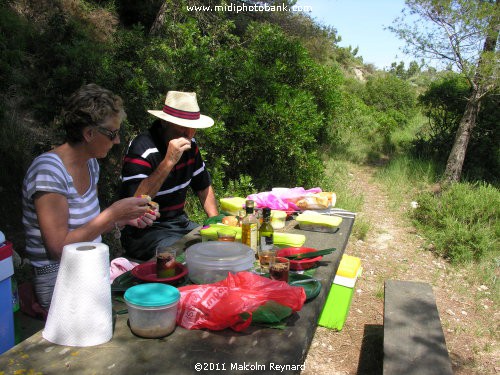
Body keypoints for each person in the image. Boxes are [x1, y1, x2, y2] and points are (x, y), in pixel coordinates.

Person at [22, 83, 159, 310]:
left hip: (91, 269)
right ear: (89, 133)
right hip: (59, 280)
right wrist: (111, 215)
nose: (117, 141)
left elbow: (85, 229)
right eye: (113, 134)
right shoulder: (48, 171)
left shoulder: (91, 164)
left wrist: (122, 219)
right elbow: (58, 249)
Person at [120, 91, 219, 260]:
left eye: (193, 127)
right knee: (187, 256)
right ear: (165, 122)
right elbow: (135, 202)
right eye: (182, 126)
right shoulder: (142, 148)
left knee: (216, 245)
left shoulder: (191, 146)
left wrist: (215, 221)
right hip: (146, 231)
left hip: (179, 223)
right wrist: (168, 162)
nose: (189, 133)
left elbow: (203, 186)